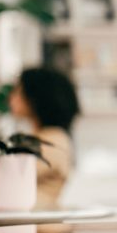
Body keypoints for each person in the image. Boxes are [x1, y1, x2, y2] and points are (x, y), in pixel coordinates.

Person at [8, 67, 80, 210]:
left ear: (35, 98)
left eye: (18, 91)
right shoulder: (42, 137)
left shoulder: (53, 141)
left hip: (40, 226)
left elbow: (8, 180)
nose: (11, 97)